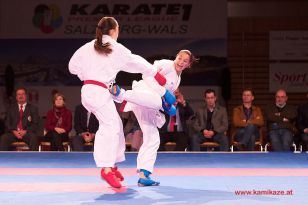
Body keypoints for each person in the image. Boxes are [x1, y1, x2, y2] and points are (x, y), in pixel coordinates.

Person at [68, 16, 167, 188]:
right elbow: (135, 62)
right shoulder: (115, 48)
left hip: (91, 90)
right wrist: (154, 72)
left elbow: (72, 67)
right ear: (114, 30)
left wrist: (86, 75)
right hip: (98, 91)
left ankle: (112, 166)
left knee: (116, 125)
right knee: (110, 126)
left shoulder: (86, 47)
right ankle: (106, 168)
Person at [115, 49, 197, 186]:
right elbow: (147, 75)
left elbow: (165, 98)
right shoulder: (166, 64)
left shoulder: (178, 79)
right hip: (143, 94)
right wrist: (163, 92)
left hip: (149, 105)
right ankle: (120, 94)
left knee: (153, 138)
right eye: (180, 58)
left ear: (188, 65)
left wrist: (166, 107)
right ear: (176, 56)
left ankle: (144, 174)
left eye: (185, 61)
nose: (181, 62)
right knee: (156, 101)